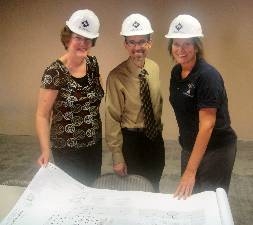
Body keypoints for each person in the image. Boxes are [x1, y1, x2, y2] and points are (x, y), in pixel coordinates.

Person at [165, 14, 237, 198]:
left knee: (208, 200)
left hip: (216, 150)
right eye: (176, 44)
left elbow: (207, 125)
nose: (181, 49)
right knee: (189, 198)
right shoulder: (176, 72)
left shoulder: (207, 76)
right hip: (190, 146)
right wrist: (189, 166)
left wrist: (190, 171)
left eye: (187, 43)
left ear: (196, 46)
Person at [36, 9, 104, 186]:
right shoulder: (54, 72)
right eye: (78, 38)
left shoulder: (93, 64)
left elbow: (95, 98)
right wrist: (45, 150)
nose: (83, 43)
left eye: (88, 39)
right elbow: (42, 115)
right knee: (72, 195)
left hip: (94, 144)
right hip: (67, 150)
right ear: (68, 38)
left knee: (91, 190)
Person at [105, 13, 165, 192]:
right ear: (125, 45)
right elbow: (112, 117)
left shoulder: (154, 68)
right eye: (132, 42)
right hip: (132, 142)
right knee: (135, 189)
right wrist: (117, 155)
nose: (137, 47)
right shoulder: (116, 77)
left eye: (141, 41)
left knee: (154, 183)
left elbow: (157, 103)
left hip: (154, 139)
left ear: (149, 43)